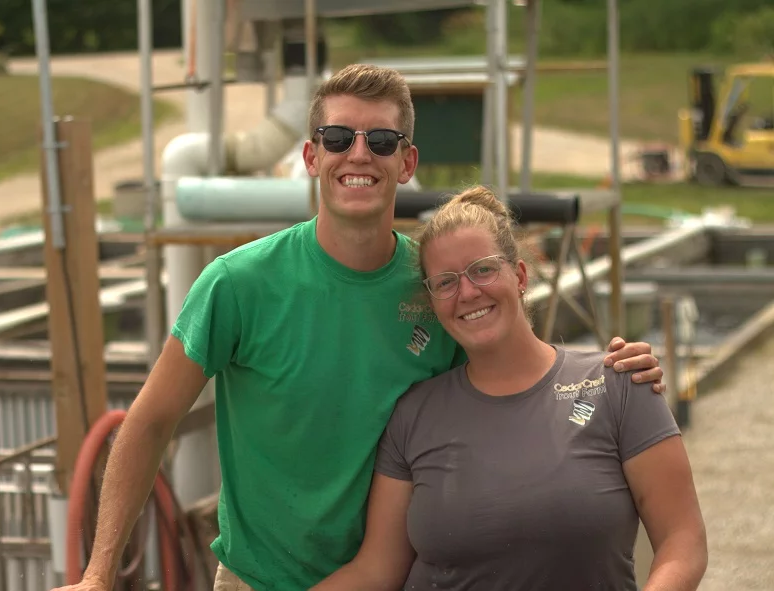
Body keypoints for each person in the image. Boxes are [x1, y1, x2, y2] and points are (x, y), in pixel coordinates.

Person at [52, 64, 667, 591]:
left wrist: (604, 374)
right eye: (340, 136)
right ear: (311, 155)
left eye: (380, 139)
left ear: (407, 161)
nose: (359, 154)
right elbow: (149, 422)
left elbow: (509, 374)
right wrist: (100, 573)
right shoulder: (237, 284)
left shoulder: (437, 287)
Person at [313, 186, 708, 591]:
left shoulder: (618, 383)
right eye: (445, 282)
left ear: (519, 276)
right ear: (433, 302)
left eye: (482, 269)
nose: (467, 292)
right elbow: (377, 570)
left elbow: (683, 540)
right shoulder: (413, 414)